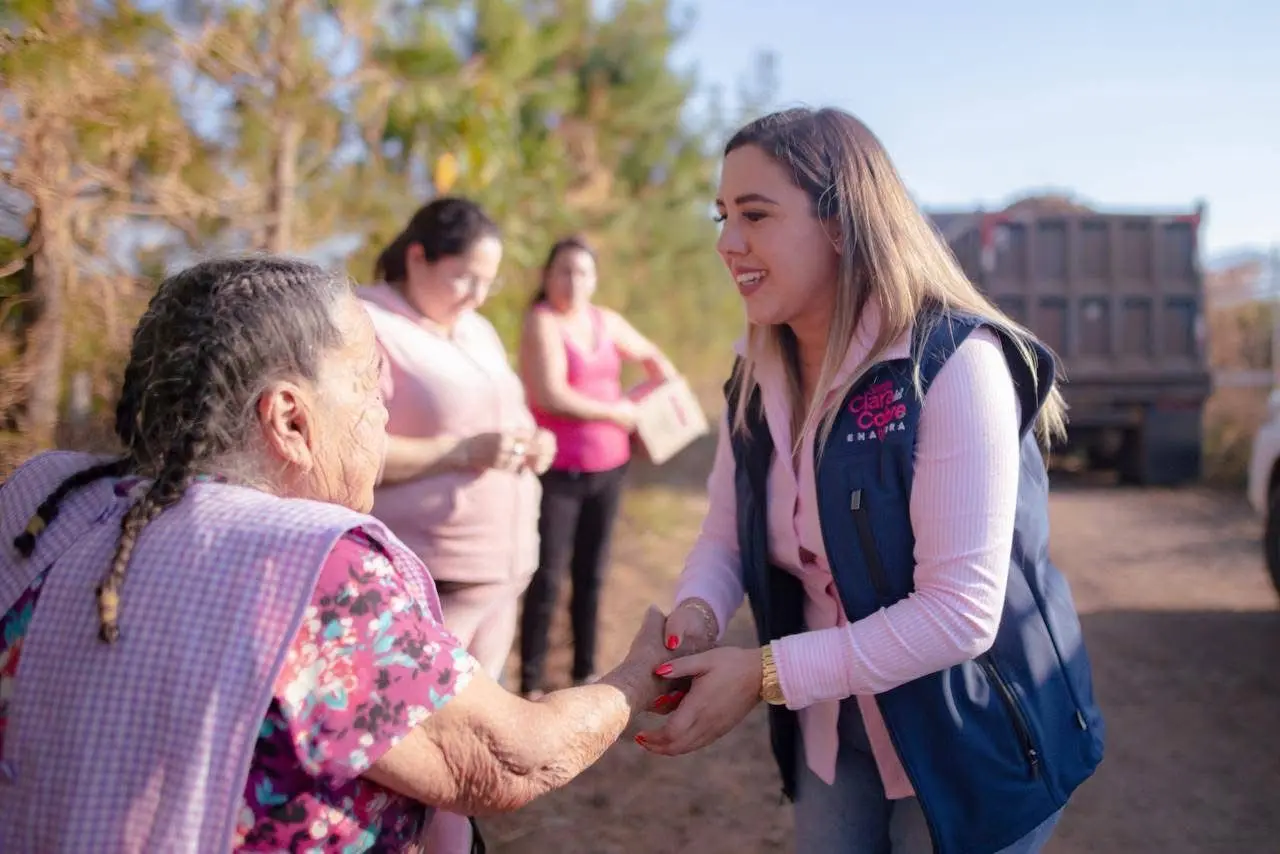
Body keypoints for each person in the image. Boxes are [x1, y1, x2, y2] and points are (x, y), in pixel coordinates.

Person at [0, 256, 680, 853]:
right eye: (367, 380)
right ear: (291, 420)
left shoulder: (43, 504)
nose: (385, 409)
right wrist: (635, 679)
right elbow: (507, 760)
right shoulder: (308, 570)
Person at [634, 107, 1106, 854]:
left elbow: (958, 614)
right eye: (721, 215)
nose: (727, 242)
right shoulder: (753, 375)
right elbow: (726, 534)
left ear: (842, 223)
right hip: (831, 727)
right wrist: (695, 617)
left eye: (755, 214)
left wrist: (761, 673)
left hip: (969, 739)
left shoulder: (955, 363)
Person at [360, 197, 553, 685]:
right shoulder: (364, 326)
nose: (478, 296)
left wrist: (535, 441)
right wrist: (461, 452)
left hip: (504, 573)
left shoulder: (476, 330)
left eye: (489, 280)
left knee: (477, 740)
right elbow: (348, 454)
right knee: (418, 735)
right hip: (428, 578)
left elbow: (509, 411)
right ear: (418, 257)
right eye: (465, 276)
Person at [517, 236, 679, 697]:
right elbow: (550, 394)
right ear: (547, 276)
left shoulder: (604, 321)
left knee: (593, 572)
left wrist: (658, 395)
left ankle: (584, 672)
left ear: (595, 279)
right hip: (558, 472)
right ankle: (531, 680)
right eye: (564, 271)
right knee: (547, 575)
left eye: (582, 272)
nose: (573, 281)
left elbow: (654, 359)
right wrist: (618, 412)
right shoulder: (541, 322)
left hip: (610, 468)